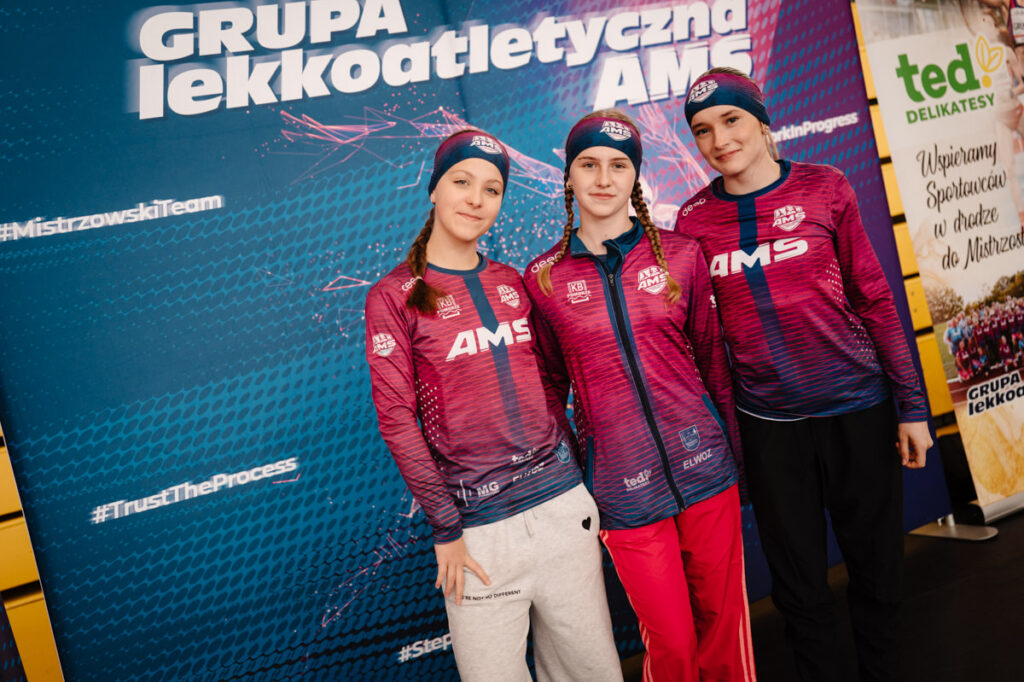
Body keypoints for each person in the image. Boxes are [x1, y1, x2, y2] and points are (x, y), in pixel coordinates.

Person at [676, 67, 933, 682]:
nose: (719, 140)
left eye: (732, 120)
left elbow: (875, 299)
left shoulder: (825, 187)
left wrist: (913, 407)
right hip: (770, 427)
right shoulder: (692, 221)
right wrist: (735, 448)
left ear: (762, 121)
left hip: (858, 411)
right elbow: (705, 346)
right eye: (703, 130)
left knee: (877, 573)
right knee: (799, 591)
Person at [365, 129, 622, 682]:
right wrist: (446, 528)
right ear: (434, 189)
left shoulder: (513, 281)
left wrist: (576, 480)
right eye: (462, 182)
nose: (476, 200)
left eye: (492, 189)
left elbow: (550, 385)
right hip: (476, 532)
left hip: (562, 510)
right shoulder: (393, 296)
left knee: (592, 673)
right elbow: (396, 420)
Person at [524, 110, 756, 682]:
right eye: (589, 165)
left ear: (635, 177)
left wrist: (739, 462)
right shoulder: (544, 278)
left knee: (725, 628)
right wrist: (578, 479)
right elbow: (549, 391)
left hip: (707, 470)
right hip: (621, 489)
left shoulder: (681, 254)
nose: (604, 179)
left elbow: (714, 365)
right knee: (671, 643)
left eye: (619, 166)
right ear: (569, 177)